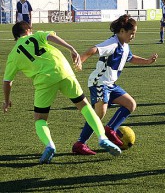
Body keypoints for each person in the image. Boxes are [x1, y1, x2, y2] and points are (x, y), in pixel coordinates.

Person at [2, 21, 121, 164]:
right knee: (84, 106)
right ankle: (102, 137)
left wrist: (6, 100)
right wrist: (71, 49)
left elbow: (8, 81)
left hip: (44, 81)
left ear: (15, 37)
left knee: (40, 119)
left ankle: (49, 145)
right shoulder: (37, 35)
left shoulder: (13, 55)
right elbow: (51, 37)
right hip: (63, 70)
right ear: (28, 30)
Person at [72, 14, 158, 155]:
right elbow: (93, 50)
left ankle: (110, 129)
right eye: (132, 33)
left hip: (110, 84)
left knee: (131, 104)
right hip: (99, 82)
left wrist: (147, 61)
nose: (133, 36)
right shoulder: (112, 43)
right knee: (100, 112)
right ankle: (80, 143)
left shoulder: (125, 46)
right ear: (122, 31)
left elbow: (130, 58)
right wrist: (79, 61)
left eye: (134, 34)